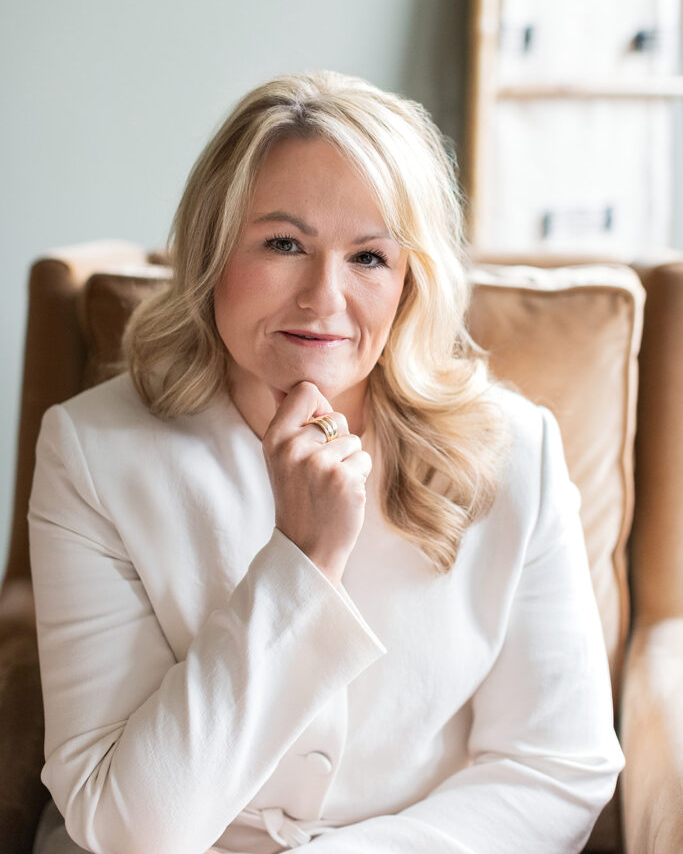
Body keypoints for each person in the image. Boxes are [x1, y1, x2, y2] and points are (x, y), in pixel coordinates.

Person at [28, 71, 623, 854]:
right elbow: (127, 826)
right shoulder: (90, 451)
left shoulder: (517, 449)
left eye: (369, 257)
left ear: (412, 278)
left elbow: (554, 767)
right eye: (283, 244)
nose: (323, 297)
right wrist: (299, 563)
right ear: (211, 251)